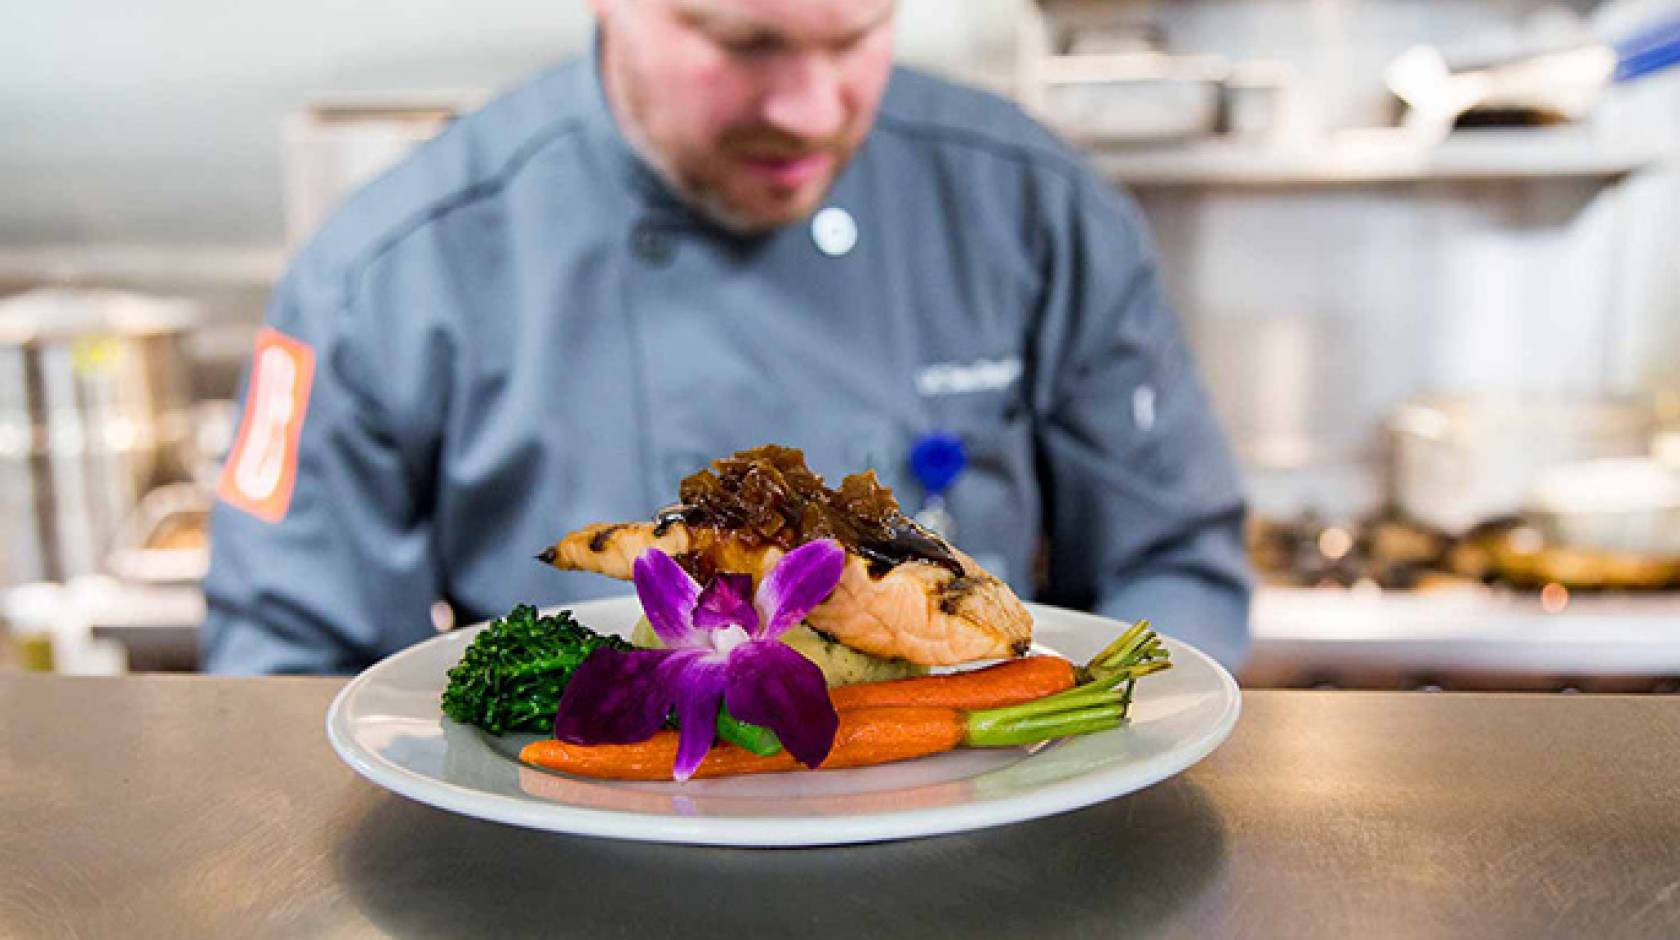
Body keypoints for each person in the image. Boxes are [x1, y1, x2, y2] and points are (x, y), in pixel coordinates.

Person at [202, 0, 1253, 674]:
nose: (806, 108)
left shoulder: (1037, 209)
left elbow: (1174, 562)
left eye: (853, 38)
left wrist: (1081, 746)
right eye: (742, 42)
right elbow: (287, 665)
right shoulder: (389, 266)